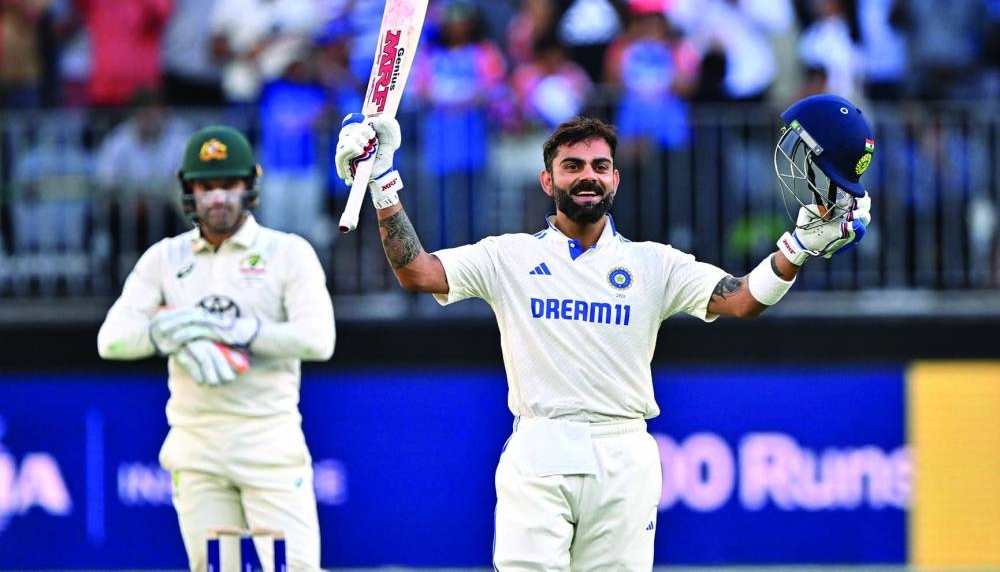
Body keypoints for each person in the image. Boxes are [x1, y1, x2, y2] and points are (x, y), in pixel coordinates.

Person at [334, 93, 874, 570]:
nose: (587, 176)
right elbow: (417, 271)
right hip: (540, 447)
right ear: (548, 181)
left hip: (624, 455)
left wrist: (798, 248)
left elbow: (742, 299)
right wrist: (381, 182)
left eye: (599, 166)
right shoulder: (507, 256)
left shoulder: (655, 264)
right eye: (572, 166)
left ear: (615, 178)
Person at [97, 125, 335, 572]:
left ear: (250, 186)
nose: (218, 198)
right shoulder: (165, 258)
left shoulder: (288, 252)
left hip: (269, 444)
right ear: (189, 191)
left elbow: (319, 340)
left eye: (229, 185)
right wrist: (168, 332)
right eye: (206, 187)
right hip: (196, 448)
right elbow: (110, 340)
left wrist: (233, 329)